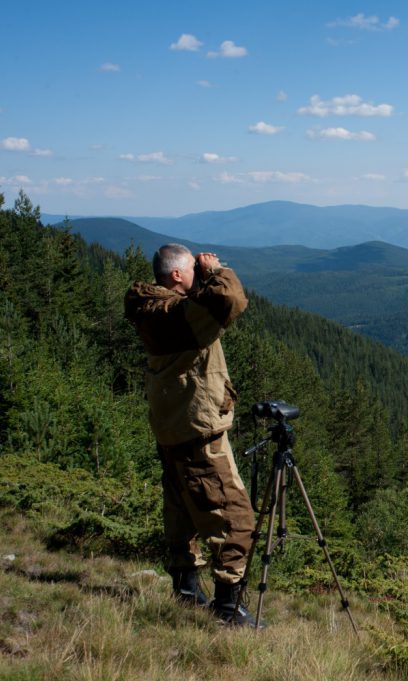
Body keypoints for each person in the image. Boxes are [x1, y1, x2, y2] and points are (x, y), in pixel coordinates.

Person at [124, 243, 259, 626]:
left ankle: (185, 593)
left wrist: (200, 280)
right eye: (192, 274)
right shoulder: (179, 319)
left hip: (171, 429)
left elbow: (196, 305)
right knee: (234, 517)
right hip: (198, 433)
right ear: (178, 276)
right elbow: (230, 300)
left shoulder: (151, 310)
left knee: (181, 514)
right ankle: (229, 606)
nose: (198, 279)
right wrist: (214, 271)